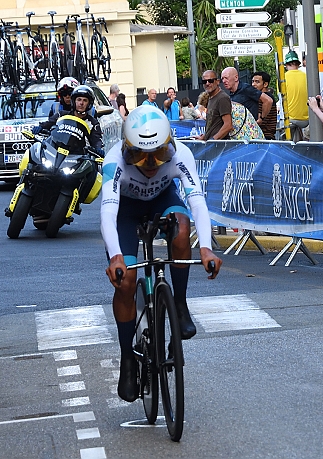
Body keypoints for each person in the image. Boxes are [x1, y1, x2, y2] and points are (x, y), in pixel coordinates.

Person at [100, 105, 222, 402]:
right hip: (125, 213)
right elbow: (108, 210)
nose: (152, 163)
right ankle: (127, 358)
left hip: (163, 201)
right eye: (141, 156)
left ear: (169, 143)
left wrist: (205, 247)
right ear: (126, 148)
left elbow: (197, 202)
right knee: (126, 281)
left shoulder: (181, 154)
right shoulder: (114, 161)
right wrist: (116, 255)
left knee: (181, 228)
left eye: (158, 154)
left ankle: (179, 305)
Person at [36, 85, 104, 153]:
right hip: (57, 152)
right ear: (74, 101)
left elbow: (97, 139)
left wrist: (98, 148)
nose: (81, 103)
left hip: (80, 156)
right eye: (79, 99)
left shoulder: (93, 123)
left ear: (89, 104)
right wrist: (40, 127)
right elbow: (49, 123)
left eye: (85, 100)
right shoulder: (61, 115)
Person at [198, 70, 233, 141]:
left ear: (217, 81)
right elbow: (213, 124)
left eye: (210, 80)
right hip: (212, 145)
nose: (207, 83)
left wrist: (213, 140)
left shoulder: (222, 98)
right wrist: (205, 137)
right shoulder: (210, 98)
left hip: (220, 146)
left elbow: (228, 125)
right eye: (204, 81)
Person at [283, 50, 309, 140]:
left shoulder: (283, 78)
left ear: (286, 65)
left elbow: (282, 98)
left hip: (290, 119)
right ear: (298, 64)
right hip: (307, 119)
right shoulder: (306, 76)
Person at [251, 71, 277, 139]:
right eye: (253, 81)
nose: (253, 84)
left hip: (264, 135)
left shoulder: (265, 99)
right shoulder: (267, 97)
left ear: (265, 84)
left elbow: (261, 120)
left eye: (257, 82)